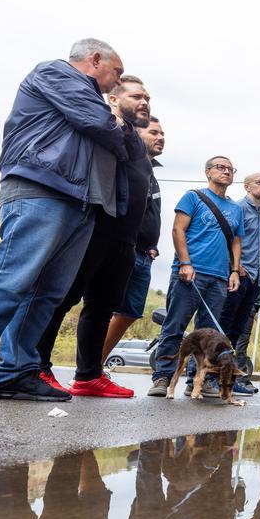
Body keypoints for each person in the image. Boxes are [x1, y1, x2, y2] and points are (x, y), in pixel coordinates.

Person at [0, 37, 138, 402]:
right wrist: (115, 122)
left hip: (82, 200)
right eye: (116, 72)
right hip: (42, 189)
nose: (117, 82)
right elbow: (102, 126)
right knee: (11, 277)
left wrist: (116, 126)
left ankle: (16, 371)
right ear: (94, 60)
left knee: (47, 292)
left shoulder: (91, 95)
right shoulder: (56, 72)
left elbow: (124, 146)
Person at [36, 75, 152, 398]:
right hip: (94, 228)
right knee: (62, 298)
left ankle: (88, 375)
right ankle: (36, 366)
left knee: (102, 307)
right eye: (137, 96)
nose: (145, 102)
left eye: (148, 98)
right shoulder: (104, 128)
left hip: (124, 239)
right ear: (113, 99)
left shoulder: (134, 140)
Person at [148, 156, 244, 398]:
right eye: (220, 168)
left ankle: (198, 380)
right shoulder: (193, 197)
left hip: (219, 277)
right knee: (175, 325)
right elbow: (178, 229)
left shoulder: (236, 209)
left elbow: (236, 241)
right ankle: (163, 376)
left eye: (230, 169)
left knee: (209, 334)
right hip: (191, 272)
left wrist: (234, 270)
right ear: (207, 172)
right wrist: (185, 262)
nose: (226, 172)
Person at [104, 116, 165, 361]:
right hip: (122, 246)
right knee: (103, 309)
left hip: (144, 254)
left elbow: (149, 213)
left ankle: (95, 365)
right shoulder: (126, 163)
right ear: (137, 135)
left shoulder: (152, 173)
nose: (160, 137)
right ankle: (86, 370)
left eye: (162, 134)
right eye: (154, 132)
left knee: (130, 312)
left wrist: (151, 245)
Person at [217, 173, 260, 397]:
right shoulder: (238, 208)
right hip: (239, 276)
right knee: (222, 328)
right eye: (259, 182)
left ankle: (228, 379)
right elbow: (228, 240)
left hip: (254, 281)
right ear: (247, 186)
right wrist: (235, 268)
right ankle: (203, 376)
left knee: (236, 333)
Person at [233, 218, 260, 383]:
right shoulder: (251, 252)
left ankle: (238, 374)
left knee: (242, 339)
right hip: (246, 302)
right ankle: (238, 377)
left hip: (253, 303)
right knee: (240, 339)